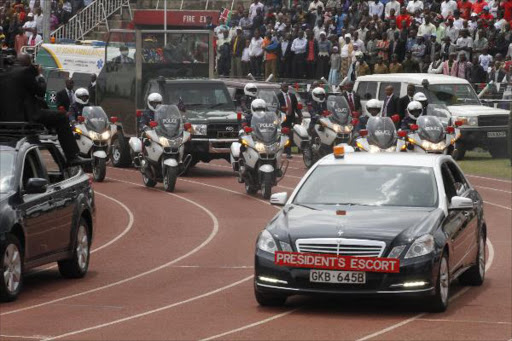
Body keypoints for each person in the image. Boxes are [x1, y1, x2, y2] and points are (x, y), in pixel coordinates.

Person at [0, 55, 87, 166]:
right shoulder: (26, 71)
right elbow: (40, 91)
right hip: (27, 117)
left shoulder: (4, 73)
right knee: (62, 117)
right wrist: (40, 75)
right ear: (29, 63)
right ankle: (72, 156)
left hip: (6, 119)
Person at [277, 82, 303, 158]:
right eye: (284, 86)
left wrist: (300, 116)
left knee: (290, 135)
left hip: (290, 118)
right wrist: (281, 109)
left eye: (287, 86)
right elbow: (274, 107)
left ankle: (289, 152)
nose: (286, 88)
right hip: (282, 118)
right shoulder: (278, 96)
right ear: (281, 87)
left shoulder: (292, 95)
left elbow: (296, 107)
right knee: (283, 135)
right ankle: (283, 151)